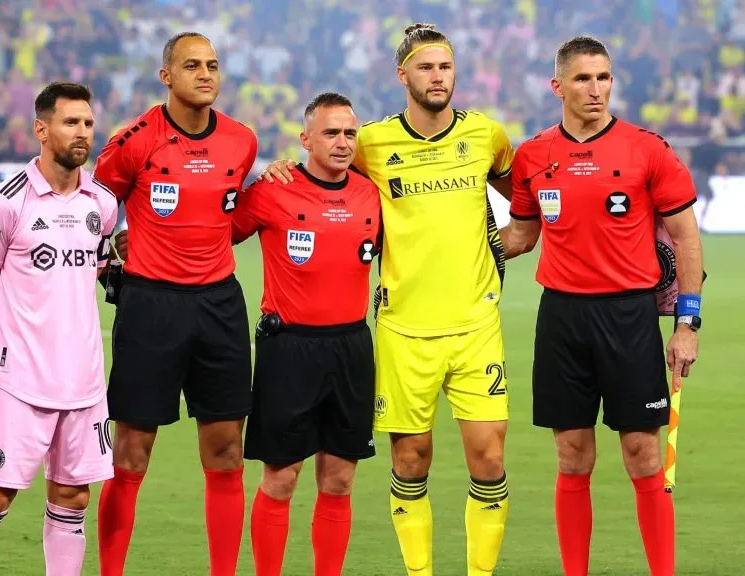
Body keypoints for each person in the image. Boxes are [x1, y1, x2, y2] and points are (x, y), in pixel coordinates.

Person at [260, 23, 515, 576]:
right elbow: (324, 170)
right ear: (404, 75)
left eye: (445, 66)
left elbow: (526, 199)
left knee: (491, 459)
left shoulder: (487, 135)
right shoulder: (372, 143)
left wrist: (513, 240)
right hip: (403, 331)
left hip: (476, 327)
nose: (437, 77)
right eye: (425, 67)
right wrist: (281, 166)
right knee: (409, 460)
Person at [500, 36, 702, 576]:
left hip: (629, 317)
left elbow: (685, 239)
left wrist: (688, 324)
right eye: (584, 78)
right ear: (558, 85)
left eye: (604, 77)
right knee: (571, 456)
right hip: (562, 318)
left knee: (642, 454)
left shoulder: (646, 148)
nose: (596, 89)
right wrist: (442, 232)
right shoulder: (534, 155)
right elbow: (518, 237)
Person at [92, 32, 258, 576]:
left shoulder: (241, 140)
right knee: (131, 453)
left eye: (212, 65)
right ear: (167, 77)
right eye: (191, 65)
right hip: (150, 305)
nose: (205, 74)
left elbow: (228, 220)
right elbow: (95, 206)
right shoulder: (136, 140)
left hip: (219, 306)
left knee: (227, 450)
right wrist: (113, 247)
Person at [0, 82, 117, 575]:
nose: (83, 132)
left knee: (73, 497)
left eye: (88, 123)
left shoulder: (102, 204)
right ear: (41, 130)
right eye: (71, 122)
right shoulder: (6, 203)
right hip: (19, 382)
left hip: (84, 381)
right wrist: (5, 351)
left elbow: (102, 268)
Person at [234, 92, 381, 576]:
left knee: (339, 480)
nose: (342, 143)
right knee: (280, 478)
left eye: (349, 133)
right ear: (305, 139)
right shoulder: (274, 189)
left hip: (352, 348)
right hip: (289, 349)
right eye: (331, 133)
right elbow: (218, 231)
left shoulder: (370, 194)